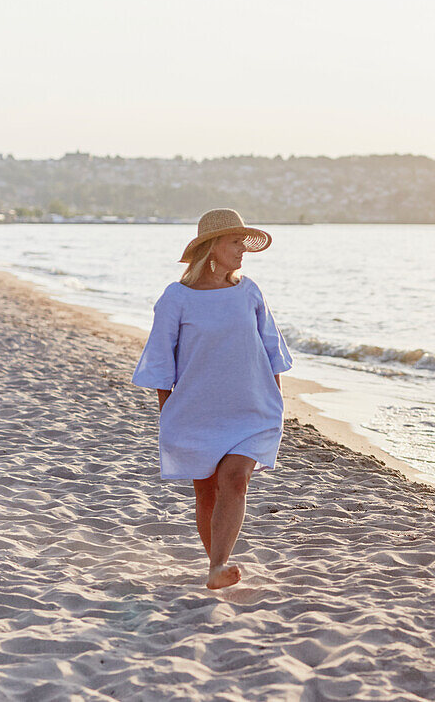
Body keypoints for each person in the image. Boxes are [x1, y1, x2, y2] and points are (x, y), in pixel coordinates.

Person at [131, 208, 293, 589]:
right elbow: (160, 358)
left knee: (234, 480)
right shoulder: (176, 298)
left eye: (243, 242)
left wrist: (276, 401)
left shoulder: (249, 290)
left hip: (252, 409)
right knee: (206, 493)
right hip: (195, 411)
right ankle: (215, 565)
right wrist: (168, 413)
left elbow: (272, 348)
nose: (242, 250)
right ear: (212, 247)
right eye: (235, 241)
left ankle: (218, 565)